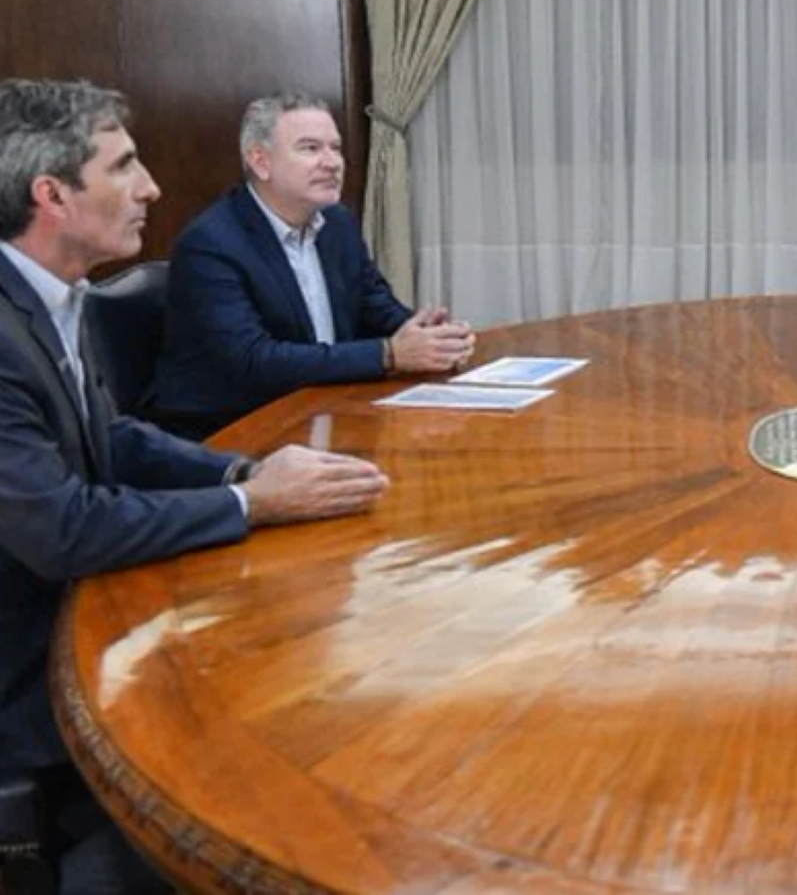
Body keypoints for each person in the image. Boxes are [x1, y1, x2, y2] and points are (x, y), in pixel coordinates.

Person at [0, 79, 390, 892]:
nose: (152, 188)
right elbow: (61, 530)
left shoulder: (47, 301)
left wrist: (244, 470)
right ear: (52, 195)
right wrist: (251, 504)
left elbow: (110, 435)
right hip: (28, 665)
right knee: (274, 756)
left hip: (77, 607)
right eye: (125, 167)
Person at [150, 92, 475, 437]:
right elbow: (253, 362)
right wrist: (388, 355)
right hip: (232, 431)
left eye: (335, 148)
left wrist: (431, 338)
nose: (332, 162)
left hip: (322, 413)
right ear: (260, 162)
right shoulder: (212, 244)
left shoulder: (337, 224)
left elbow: (374, 309)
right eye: (310, 148)